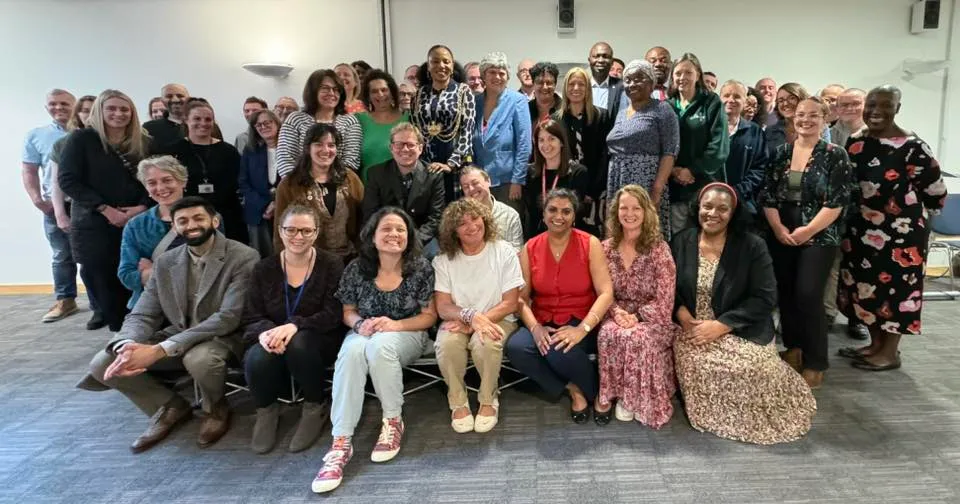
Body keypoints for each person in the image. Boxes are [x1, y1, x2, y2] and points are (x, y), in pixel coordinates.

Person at [82, 196, 259, 452]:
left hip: (222, 337)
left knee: (200, 360)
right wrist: (127, 343)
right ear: (175, 228)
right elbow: (144, 313)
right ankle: (169, 406)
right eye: (183, 221)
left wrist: (160, 349)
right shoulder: (166, 262)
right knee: (103, 362)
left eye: (198, 218)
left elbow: (228, 317)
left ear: (215, 221)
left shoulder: (243, 257)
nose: (191, 225)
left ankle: (216, 408)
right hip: (176, 335)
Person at [672, 182, 816, 444]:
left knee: (753, 366)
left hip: (740, 326)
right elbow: (667, 287)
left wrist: (722, 325)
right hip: (690, 328)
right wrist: (680, 311)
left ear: (733, 212)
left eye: (722, 209)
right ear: (698, 208)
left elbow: (765, 297)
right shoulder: (682, 240)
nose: (713, 213)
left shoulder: (753, 245)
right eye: (708, 206)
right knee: (699, 364)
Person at [311, 207, 437, 494]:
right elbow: (347, 311)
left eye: (400, 229)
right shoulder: (357, 267)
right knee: (351, 353)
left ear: (409, 236)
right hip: (365, 333)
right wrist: (359, 325)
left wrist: (395, 325)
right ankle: (341, 442)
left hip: (408, 332)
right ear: (373, 235)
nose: (394, 234)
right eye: (386, 229)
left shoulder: (421, 267)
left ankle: (393, 420)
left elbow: (429, 317)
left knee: (380, 347)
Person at [837, 85, 947, 371]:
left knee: (896, 292)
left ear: (897, 108)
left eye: (884, 105)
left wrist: (915, 219)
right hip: (860, 232)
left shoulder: (913, 146)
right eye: (871, 105)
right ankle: (875, 345)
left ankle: (889, 353)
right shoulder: (856, 142)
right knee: (866, 290)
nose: (875, 111)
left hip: (901, 236)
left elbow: (935, 190)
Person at [761, 97, 850, 389]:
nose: (806, 120)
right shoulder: (781, 153)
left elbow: (836, 202)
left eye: (813, 115)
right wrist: (777, 227)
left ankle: (815, 361)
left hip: (820, 234)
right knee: (786, 293)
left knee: (808, 295)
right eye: (801, 115)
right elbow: (768, 196)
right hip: (782, 229)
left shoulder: (835, 155)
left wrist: (807, 231)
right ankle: (794, 350)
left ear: (824, 118)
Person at [242, 204, 346, 454]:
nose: (298, 237)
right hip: (272, 336)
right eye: (291, 230)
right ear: (279, 230)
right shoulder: (264, 268)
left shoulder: (332, 264)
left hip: (318, 336)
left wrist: (293, 325)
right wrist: (268, 332)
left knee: (299, 344)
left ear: (316, 232)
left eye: (306, 231)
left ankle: (314, 406)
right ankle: (266, 410)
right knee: (257, 356)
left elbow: (333, 314)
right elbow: (251, 315)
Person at [504, 189, 614, 424]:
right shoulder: (530, 247)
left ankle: (598, 394)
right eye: (552, 210)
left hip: (582, 319)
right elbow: (521, 299)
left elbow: (606, 292)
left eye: (566, 211)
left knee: (557, 349)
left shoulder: (590, 243)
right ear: (543, 215)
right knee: (516, 347)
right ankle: (573, 389)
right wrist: (535, 328)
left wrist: (582, 329)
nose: (559, 216)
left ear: (574, 216)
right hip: (543, 318)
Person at [59, 89, 152, 332]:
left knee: (136, 276)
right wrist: (105, 209)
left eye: (124, 109)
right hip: (94, 223)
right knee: (102, 279)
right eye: (111, 108)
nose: (118, 114)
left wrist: (141, 207)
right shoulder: (82, 140)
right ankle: (118, 335)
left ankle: (137, 333)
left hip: (136, 220)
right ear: (99, 111)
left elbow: (155, 176)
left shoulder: (142, 142)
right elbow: (68, 180)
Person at [433, 199, 523, 433]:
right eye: (462, 223)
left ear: (485, 219)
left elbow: (511, 302)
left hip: (499, 317)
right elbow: (443, 306)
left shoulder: (504, 251)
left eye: (475, 218)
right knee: (446, 344)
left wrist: (477, 323)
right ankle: (458, 401)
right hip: (459, 319)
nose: (471, 226)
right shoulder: (443, 260)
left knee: (486, 341)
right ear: (453, 231)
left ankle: (487, 399)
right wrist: (470, 317)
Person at [596, 185, 676, 428]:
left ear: (646, 212)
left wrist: (637, 317)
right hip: (616, 312)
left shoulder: (659, 248)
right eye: (624, 208)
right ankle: (615, 394)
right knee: (608, 333)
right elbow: (601, 290)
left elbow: (666, 298)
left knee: (636, 338)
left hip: (652, 317)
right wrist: (617, 313)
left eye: (636, 208)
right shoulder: (605, 248)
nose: (629, 213)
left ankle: (633, 399)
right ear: (616, 212)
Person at [22, 89, 80, 323]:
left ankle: (99, 302)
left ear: (74, 105)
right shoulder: (36, 135)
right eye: (53, 104)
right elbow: (29, 170)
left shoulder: (88, 133)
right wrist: (37, 199)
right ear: (46, 107)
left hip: (87, 204)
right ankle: (66, 299)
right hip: (55, 205)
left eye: (65, 104)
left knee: (95, 255)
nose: (59, 108)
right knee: (61, 254)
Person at [47, 94, 104, 329]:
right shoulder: (65, 143)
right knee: (85, 261)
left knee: (108, 260)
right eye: (85, 110)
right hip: (78, 207)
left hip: (109, 208)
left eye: (94, 110)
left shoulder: (107, 142)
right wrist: (59, 213)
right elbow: (59, 182)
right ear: (77, 114)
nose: (89, 115)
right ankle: (97, 308)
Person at [606, 60, 680, 238]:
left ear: (651, 82)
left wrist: (656, 190)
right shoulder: (622, 112)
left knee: (645, 235)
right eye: (628, 79)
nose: (632, 84)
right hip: (619, 178)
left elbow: (670, 151)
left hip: (646, 182)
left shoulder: (663, 109)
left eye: (638, 78)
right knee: (620, 236)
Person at [158, 100, 247, 244]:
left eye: (208, 119)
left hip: (227, 215)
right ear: (186, 120)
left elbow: (237, 182)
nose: (203, 123)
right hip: (189, 216)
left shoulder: (228, 151)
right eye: (197, 119)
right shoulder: (172, 151)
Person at [274, 123, 364, 261]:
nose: (326, 150)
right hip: (309, 262)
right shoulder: (289, 185)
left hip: (350, 259)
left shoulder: (350, 178)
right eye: (318, 144)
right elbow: (280, 233)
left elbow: (364, 219)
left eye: (331, 145)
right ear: (307, 148)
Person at [118, 156, 194, 309]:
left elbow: (206, 270)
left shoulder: (206, 219)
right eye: (152, 183)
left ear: (183, 182)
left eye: (167, 180)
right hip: (150, 305)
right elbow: (127, 276)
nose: (160, 188)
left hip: (193, 304)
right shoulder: (135, 225)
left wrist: (152, 271)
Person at [668, 53, 729, 232]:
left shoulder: (712, 103)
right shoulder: (667, 106)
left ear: (698, 75)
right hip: (675, 188)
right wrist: (673, 171)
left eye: (688, 72)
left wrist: (692, 170)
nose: (682, 77)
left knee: (705, 240)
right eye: (678, 73)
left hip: (705, 186)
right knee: (678, 240)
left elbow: (719, 147)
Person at [362, 123, 444, 255]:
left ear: (420, 148)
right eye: (399, 144)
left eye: (410, 144)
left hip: (421, 237)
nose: (405, 149)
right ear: (391, 148)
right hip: (387, 235)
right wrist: (390, 238)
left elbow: (436, 217)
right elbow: (371, 214)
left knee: (435, 255)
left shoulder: (434, 176)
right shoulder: (375, 174)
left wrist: (412, 240)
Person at [825, 87, 868, 339]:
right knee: (833, 266)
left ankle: (857, 318)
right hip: (836, 212)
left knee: (862, 269)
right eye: (844, 104)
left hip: (869, 216)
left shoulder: (877, 133)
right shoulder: (830, 133)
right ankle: (829, 313)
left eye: (856, 103)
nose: (849, 108)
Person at [411, 45, 476, 204]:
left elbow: (467, 131)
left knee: (457, 215)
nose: (441, 66)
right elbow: (414, 131)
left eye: (446, 61)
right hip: (427, 167)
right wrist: (422, 164)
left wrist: (451, 164)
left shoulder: (463, 91)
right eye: (435, 61)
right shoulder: (419, 94)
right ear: (428, 66)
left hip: (456, 166)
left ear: (452, 66)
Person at [472, 51, 532, 215]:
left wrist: (517, 180)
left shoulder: (517, 100)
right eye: (492, 72)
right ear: (484, 75)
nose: (497, 77)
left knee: (508, 228)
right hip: (480, 182)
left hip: (508, 182)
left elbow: (524, 144)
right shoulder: (475, 102)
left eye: (502, 73)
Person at [276, 69, 362, 178]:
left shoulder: (350, 121)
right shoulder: (295, 119)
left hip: (338, 187)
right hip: (298, 187)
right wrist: (302, 186)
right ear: (313, 91)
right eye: (325, 88)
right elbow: (285, 159)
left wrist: (327, 185)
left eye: (336, 89)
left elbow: (351, 161)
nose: (331, 93)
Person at [556, 67, 611, 221]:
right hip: (565, 188)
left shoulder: (601, 116)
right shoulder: (556, 119)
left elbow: (604, 156)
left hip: (594, 190)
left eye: (581, 84)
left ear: (588, 89)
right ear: (565, 88)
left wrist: (592, 191)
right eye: (571, 84)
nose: (576, 88)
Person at [524, 120, 591, 237]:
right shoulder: (530, 172)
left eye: (551, 139)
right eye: (541, 140)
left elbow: (575, 213)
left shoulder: (578, 172)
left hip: (567, 236)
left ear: (561, 142)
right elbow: (531, 213)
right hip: (537, 236)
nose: (546, 145)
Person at [720, 80, 767, 223]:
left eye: (737, 96)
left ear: (745, 101)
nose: (731, 100)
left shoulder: (755, 131)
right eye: (726, 95)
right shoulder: (708, 128)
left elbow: (759, 168)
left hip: (743, 203)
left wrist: (736, 192)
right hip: (710, 201)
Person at [240, 109, 282, 258]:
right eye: (258, 125)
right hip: (258, 213)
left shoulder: (290, 148)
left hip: (285, 211)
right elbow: (243, 183)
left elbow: (296, 180)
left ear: (277, 123)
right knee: (262, 258)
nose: (263, 127)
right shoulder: (250, 150)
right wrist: (265, 205)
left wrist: (277, 203)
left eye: (267, 122)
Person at [356, 69, 409, 181]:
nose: (380, 95)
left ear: (392, 92)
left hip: (402, 189)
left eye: (384, 90)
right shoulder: (359, 120)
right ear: (368, 96)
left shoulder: (409, 118)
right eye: (374, 91)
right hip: (368, 190)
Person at [460, 166, 523, 251]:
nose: (471, 189)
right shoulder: (460, 219)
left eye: (475, 183)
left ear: (488, 181)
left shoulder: (510, 215)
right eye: (466, 187)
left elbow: (517, 252)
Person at [765, 82, 832, 155]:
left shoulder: (820, 127)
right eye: (781, 100)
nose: (785, 103)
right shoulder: (771, 131)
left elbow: (825, 155)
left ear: (803, 100)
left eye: (792, 98)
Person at [143, 83, 190, 149]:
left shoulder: (202, 124)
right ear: (162, 101)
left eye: (180, 96)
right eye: (169, 96)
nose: (175, 100)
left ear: (189, 99)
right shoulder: (148, 128)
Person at [588, 42, 626, 117]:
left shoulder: (622, 87)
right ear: (589, 60)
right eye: (596, 56)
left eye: (605, 56)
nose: (601, 60)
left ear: (612, 62)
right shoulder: (581, 86)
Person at [529, 62, 562, 132]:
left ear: (555, 84)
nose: (545, 87)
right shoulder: (526, 110)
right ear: (533, 84)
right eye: (540, 82)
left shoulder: (565, 108)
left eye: (549, 83)